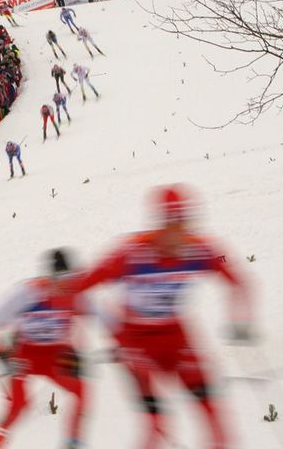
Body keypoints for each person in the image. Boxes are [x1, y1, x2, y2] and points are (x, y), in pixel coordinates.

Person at [70, 184, 255, 449]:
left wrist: (240, 322)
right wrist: (107, 330)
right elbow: (76, 290)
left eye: (182, 224)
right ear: (160, 223)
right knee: (156, 426)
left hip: (175, 335)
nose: (176, 235)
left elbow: (240, 283)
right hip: (135, 339)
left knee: (213, 415)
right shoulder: (131, 252)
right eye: (170, 225)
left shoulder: (198, 249)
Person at [0, 249, 89, 449]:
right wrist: (3, 358)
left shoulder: (75, 293)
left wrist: (75, 352)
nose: (66, 283)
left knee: (81, 391)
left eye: (70, 277)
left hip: (55, 356)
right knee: (19, 406)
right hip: (25, 357)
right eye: (61, 277)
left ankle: (73, 443)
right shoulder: (27, 293)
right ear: (50, 277)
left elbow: (82, 322)